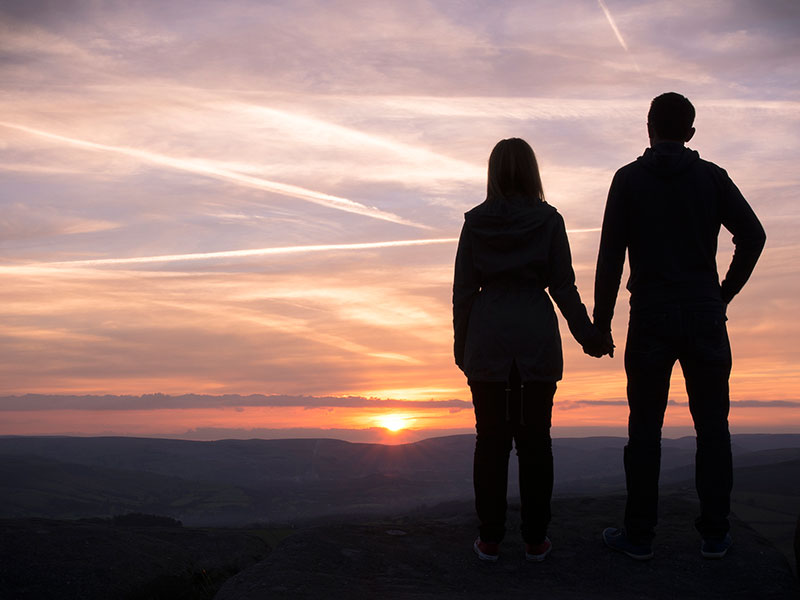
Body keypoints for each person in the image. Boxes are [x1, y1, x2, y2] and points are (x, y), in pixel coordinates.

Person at [592, 92, 766, 560]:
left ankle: (640, 536)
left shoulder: (627, 180)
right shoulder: (712, 178)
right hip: (704, 315)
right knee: (713, 427)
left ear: (648, 127)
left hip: (649, 315)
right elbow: (754, 235)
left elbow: (611, 257)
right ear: (690, 133)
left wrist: (601, 324)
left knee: (645, 428)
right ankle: (715, 534)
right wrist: (722, 293)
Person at [453, 137, 608, 562]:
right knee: (536, 442)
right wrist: (588, 335)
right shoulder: (548, 220)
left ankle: (489, 539)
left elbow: (464, 290)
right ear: (533, 172)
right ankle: (536, 540)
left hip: (487, 338)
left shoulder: (475, 222)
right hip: (536, 337)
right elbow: (563, 286)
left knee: (490, 442)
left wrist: (461, 345)